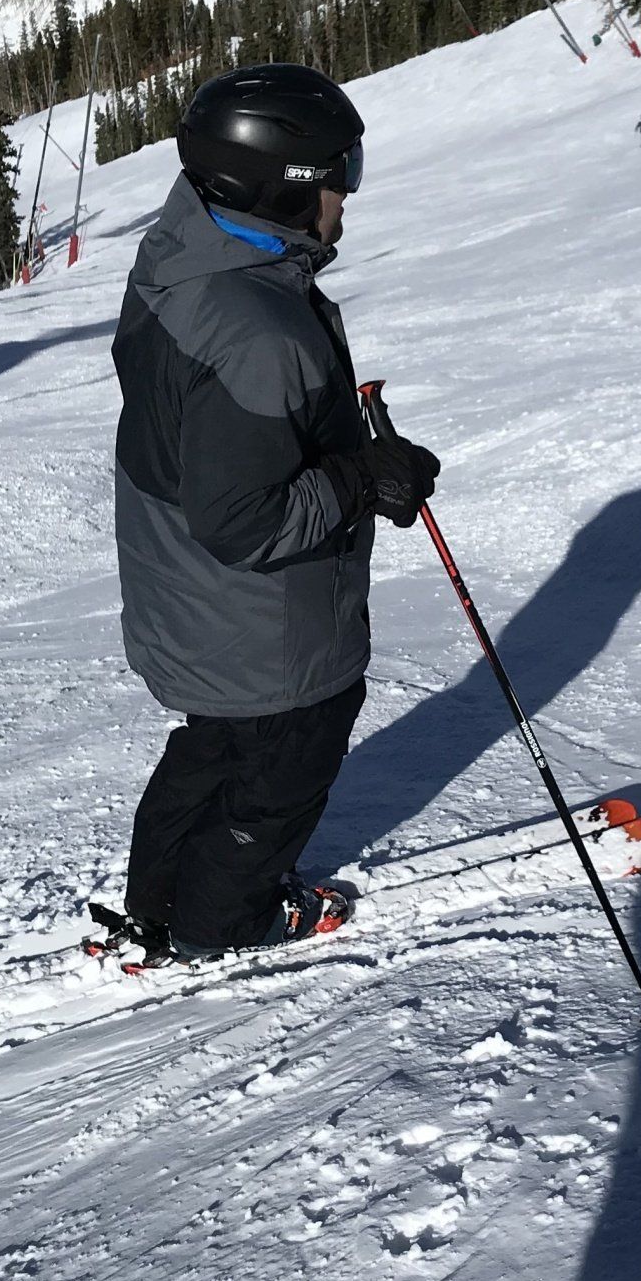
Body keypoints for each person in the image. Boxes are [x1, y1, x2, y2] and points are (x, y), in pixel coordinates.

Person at [108, 63, 440, 964]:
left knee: (220, 747)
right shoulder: (258, 330)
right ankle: (224, 924)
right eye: (341, 174)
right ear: (287, 186)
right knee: (282, 775)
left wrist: (343, 454)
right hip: (264, 627)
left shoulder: (188, 257)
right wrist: (362, 479)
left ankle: (158, 898)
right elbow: (246, 521)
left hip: (191, 596)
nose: (348, 196)